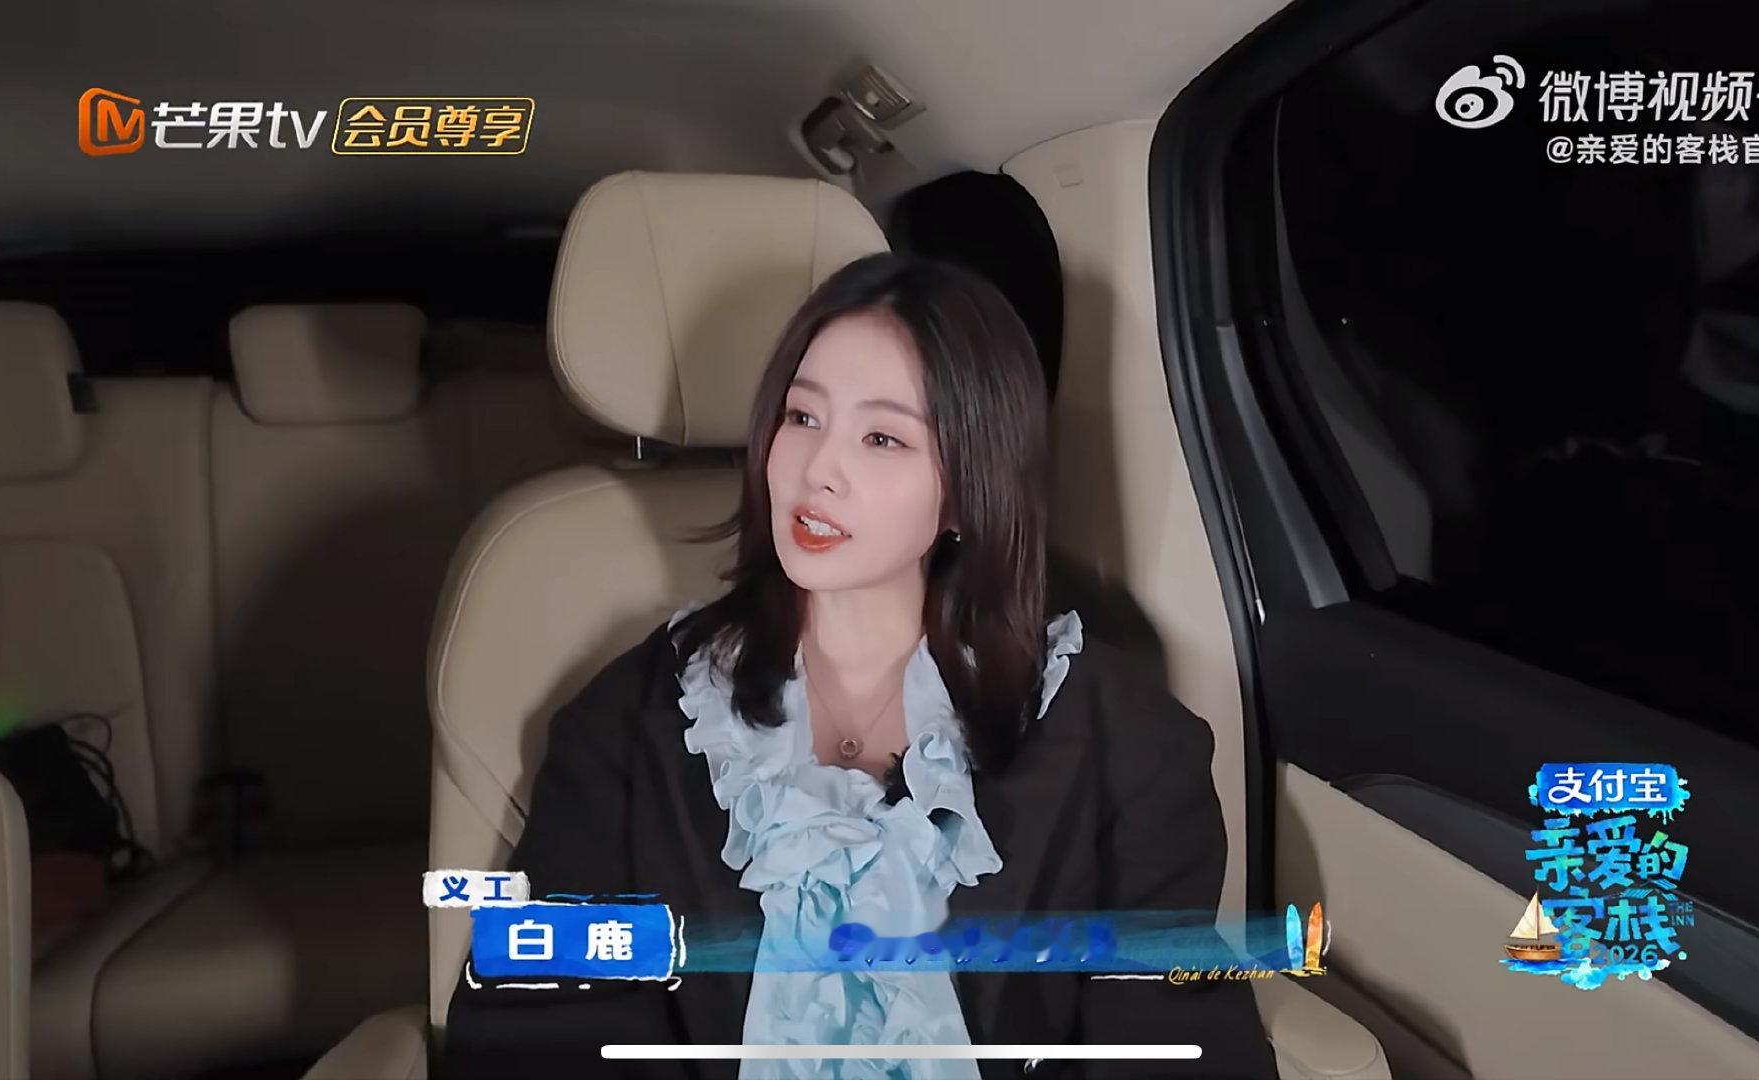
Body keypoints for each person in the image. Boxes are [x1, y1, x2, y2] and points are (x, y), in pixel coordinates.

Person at [443, 253, 1276, 1079]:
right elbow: (543, 1025)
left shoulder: (1127, 745)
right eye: (802, 417)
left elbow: (1172, 1043)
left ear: (968, 487)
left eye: (881, 437)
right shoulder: (633, 723)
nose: (817, 471)